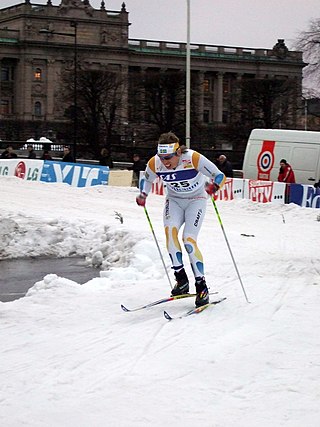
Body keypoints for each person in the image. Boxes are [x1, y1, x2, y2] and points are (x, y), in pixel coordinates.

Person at [136, 132, 225, 307]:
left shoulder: (192, 158)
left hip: (196, 200)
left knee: (188, 240)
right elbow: (146, 179)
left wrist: (214, 186)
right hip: (174, 200)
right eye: (162, 157)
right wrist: (143, 194)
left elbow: (219, 175)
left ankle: (201, 286)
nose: (165, 162)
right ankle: (181, 279)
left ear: (178, 152)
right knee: (170, 235)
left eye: (168, 157)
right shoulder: (155, 163)